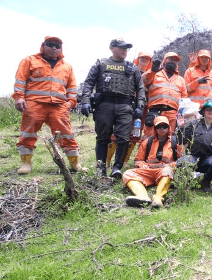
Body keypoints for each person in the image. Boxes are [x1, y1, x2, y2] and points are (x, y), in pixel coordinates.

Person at [13, 36, 84, 174]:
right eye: (50, 44)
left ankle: (75, 164)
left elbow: (72, 88)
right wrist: (19, 98)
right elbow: (20, 80)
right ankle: (25, 164)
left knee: (67, 134)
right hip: (34, 103)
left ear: (61, 49)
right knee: (28, 133)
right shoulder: (29, 60)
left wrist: (70, 103)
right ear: (43, 46)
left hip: (59, 106)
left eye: (57, 46)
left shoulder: (67, 67)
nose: (53, 48)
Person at [80, 38, 146, 177]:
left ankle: (117, 168)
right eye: (121, 47)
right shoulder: (101, 64)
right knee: (103, 138)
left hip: (125, 105)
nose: (124, 50)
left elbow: (140, 89)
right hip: (105, 104)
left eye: (126, 48)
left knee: (124, 138)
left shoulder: (132, 67)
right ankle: (101, 168)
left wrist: (140, 106)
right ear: (111, 48)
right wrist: (85, 101)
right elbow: (89, 83)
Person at [123, 116, 181, 208]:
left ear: (168, 127)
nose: (162, 129)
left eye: (164, 126)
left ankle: (158, 198)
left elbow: (181, 161)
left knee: (168, 171)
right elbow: (138, 160)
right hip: (148, 171)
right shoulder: (147, 142)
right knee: (128, 173)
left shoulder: (175, 142)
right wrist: (143, 165)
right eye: (159, 127)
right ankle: (142, 196)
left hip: (165, 171)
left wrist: (169, 165)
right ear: (155, 128)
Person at [177, 99, 212, 191]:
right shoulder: (194, 124)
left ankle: (206, 181)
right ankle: (188, 181)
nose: (211, 112)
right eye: (208, 110)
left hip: (208, 159)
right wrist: (181, 128)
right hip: (192, 156)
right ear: (204, 111)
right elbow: (181, 141)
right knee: (181, 162)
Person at [144, 51, 187, 133]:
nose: (172, 61)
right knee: (149, 139)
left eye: (175, 60)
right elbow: (144, 81)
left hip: (173, 114)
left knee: (170, 140)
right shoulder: (155, 74)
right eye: (170, 59)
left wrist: (181, 115)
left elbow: (184, 99)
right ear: (164, 60)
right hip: (155, 111)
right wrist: (152, 70)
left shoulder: (181, 80)